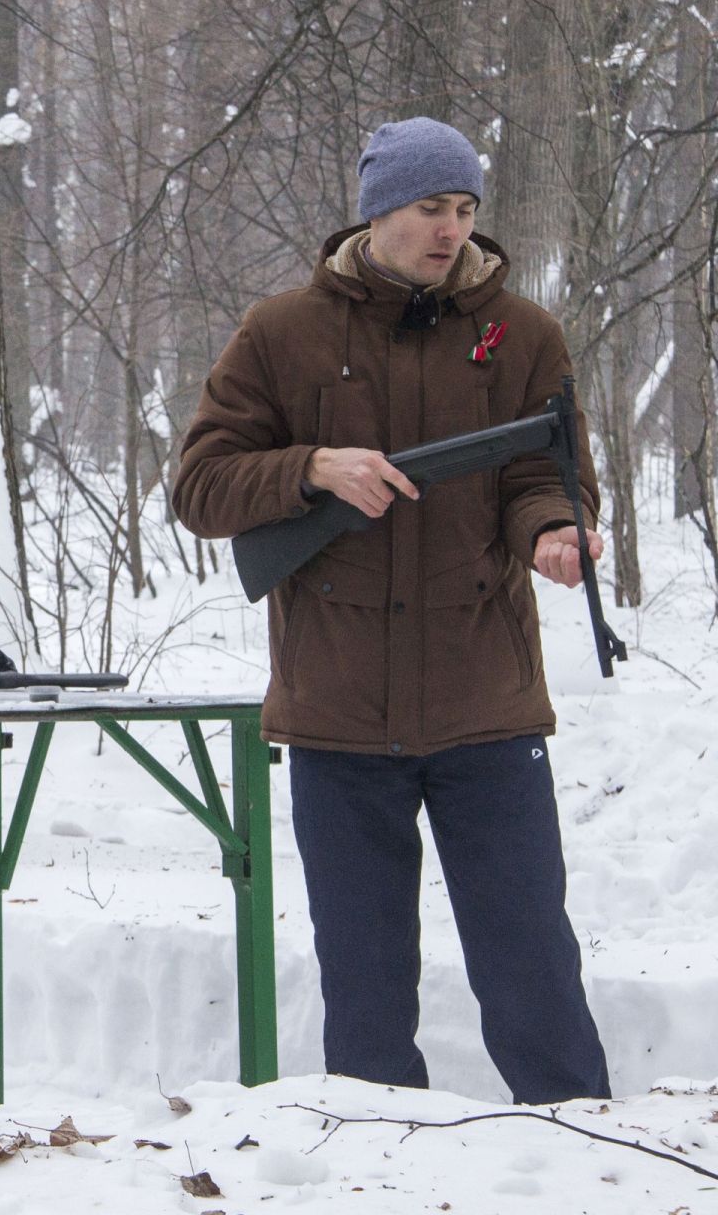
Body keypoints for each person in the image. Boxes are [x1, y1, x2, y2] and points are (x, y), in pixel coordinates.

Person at [171, 118, 611, 1104]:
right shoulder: (281, 332)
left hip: (485, 701)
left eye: (463, 209)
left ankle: (584, 1152)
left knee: (532, 962)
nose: (450, 228)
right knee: (365, 985)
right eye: (429, 208)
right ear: (378, 211)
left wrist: (551, 529)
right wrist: (311, 469)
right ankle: (376, 1172)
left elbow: (548, 471)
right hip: (339, 712)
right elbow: (201, 487)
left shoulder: (526, 334)